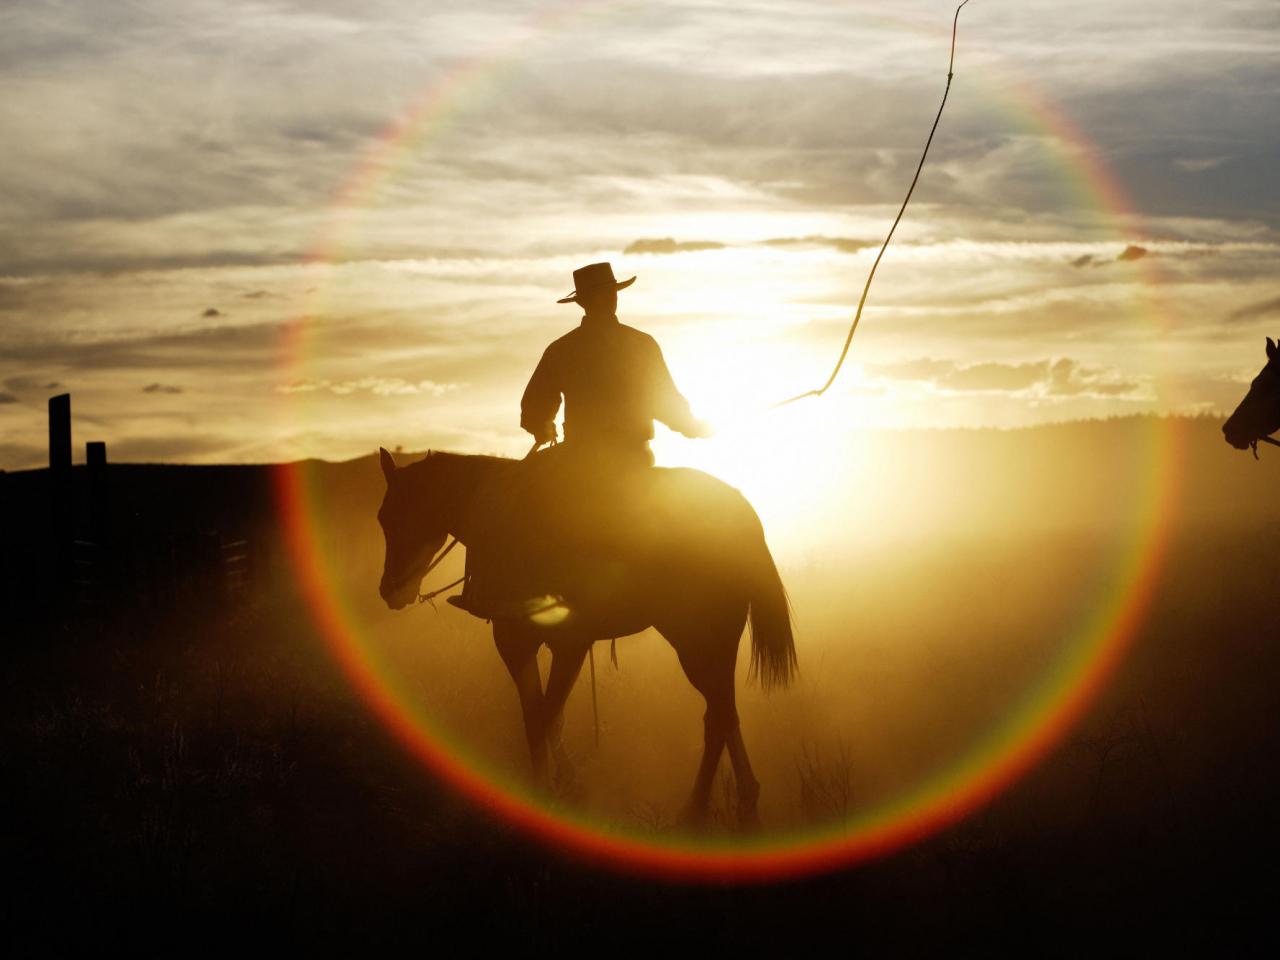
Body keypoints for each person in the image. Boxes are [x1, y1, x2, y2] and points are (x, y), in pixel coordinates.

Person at [449, 262, 711, 618]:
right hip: (634, 457)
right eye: (608, 294)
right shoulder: (641, 344)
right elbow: (664, 400)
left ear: (583, 303)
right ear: (607, 298)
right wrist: (692, 426)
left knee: (504, 498)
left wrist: (542, 426)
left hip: (580, 461)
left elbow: (534, 405)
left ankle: (491, 590)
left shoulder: (563, 349)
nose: (610, 300)